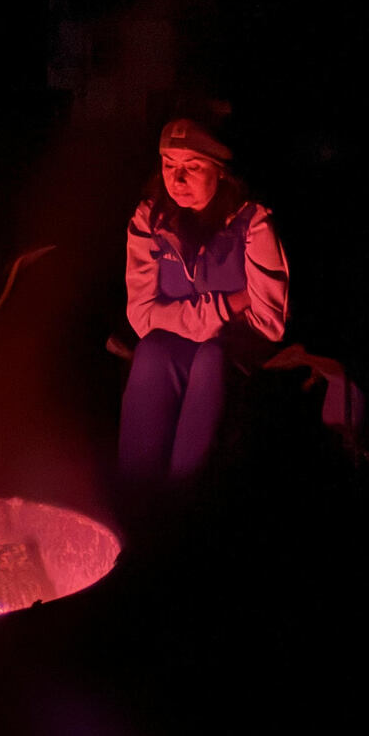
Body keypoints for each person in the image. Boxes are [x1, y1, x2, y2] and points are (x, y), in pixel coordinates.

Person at [118, 118, 289, 486]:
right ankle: (136, 494)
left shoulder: (251, 224)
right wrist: (228, 305)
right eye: (169, 166)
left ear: (221, 172)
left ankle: (187, 494)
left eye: (193, 168)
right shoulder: (151, 220)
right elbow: (143, 316)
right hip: (180, 344)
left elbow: (268, 322)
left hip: (232, 351)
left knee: (210, 359)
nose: (177, 181)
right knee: (153, 350)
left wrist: (192, 324)